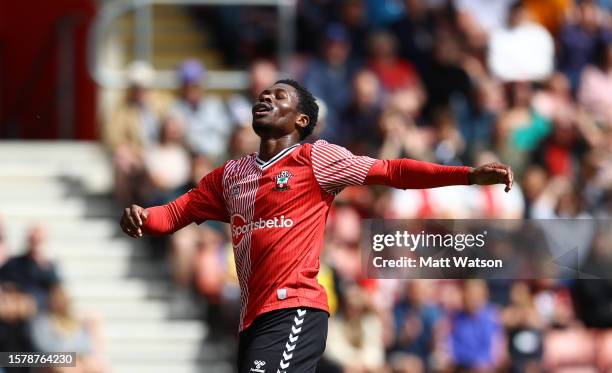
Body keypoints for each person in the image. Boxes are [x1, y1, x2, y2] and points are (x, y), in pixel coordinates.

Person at [119, 79, 513, 372]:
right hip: (252, 319)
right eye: (263, 95)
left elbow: (392, 170)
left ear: (301, 119)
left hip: (297, 308)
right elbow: (173, 214)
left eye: (279, 96)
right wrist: (142, 217)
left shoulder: (316, 159)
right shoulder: (230, 175)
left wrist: (467, 175)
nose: (266, 98)